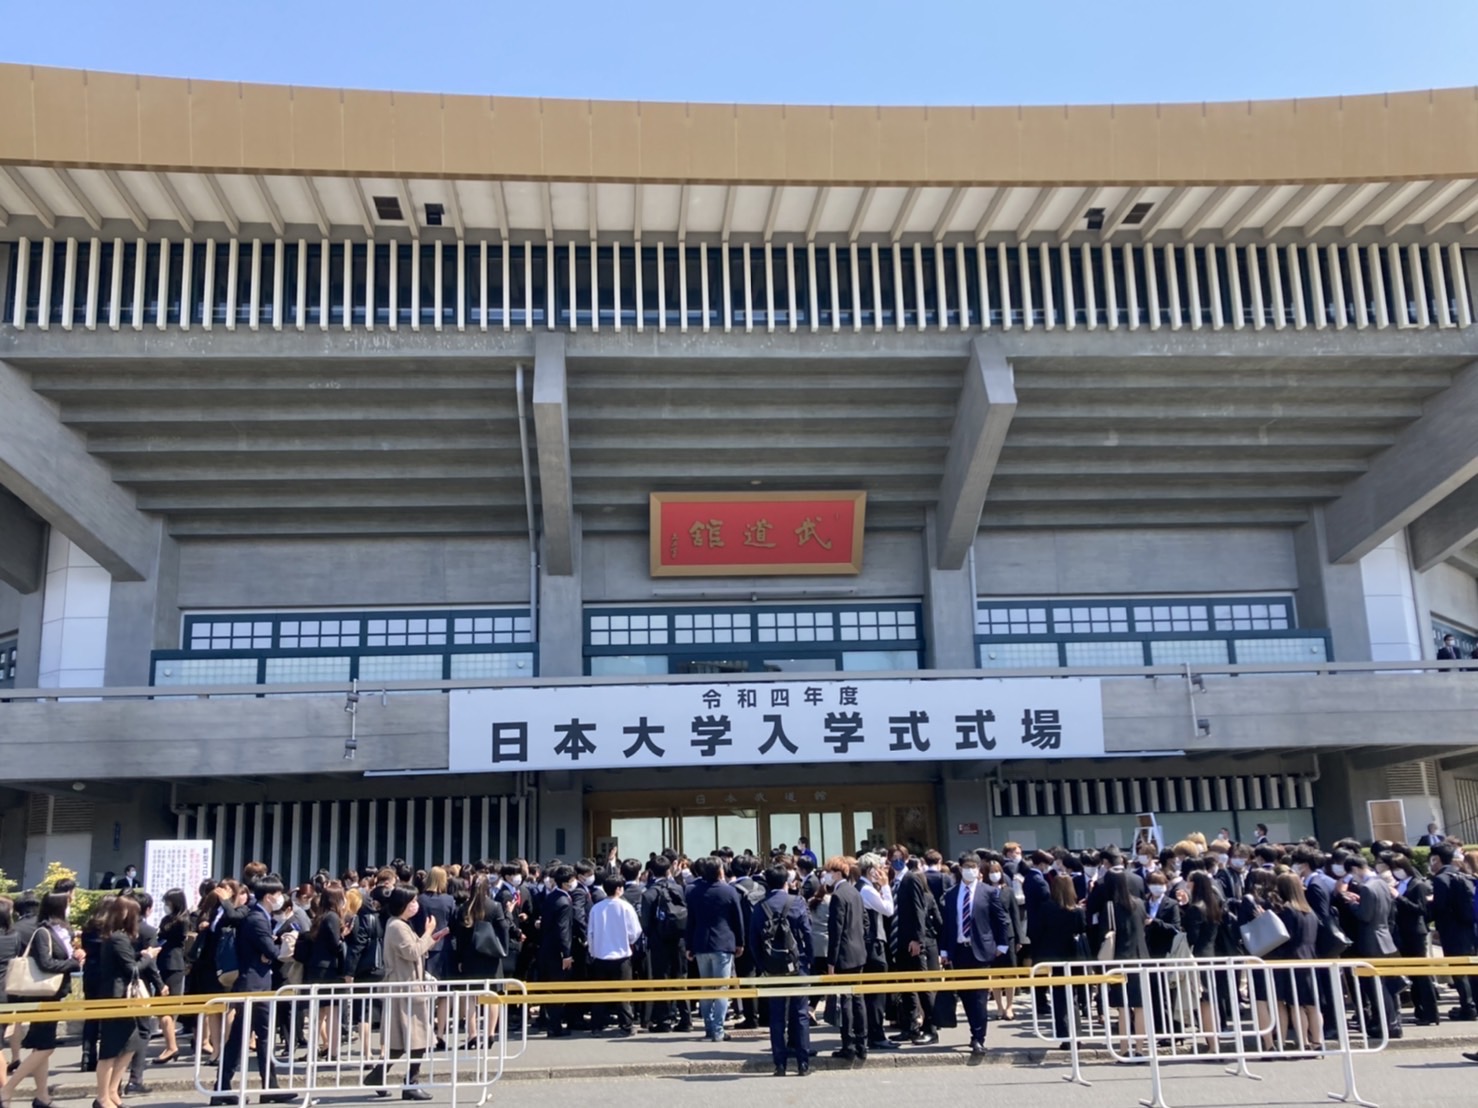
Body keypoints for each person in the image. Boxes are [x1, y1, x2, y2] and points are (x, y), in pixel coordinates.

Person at [211, 877, 293, 1106]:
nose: (280, 898)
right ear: (268, 897)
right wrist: (279, 946)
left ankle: (225, 1088)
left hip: (254, 982)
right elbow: (272, 951)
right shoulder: (257, 919)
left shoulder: (256, 915)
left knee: (243, 1037)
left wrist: (269, 949)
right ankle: (263, 1087)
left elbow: (266, 950)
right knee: (258, 1036)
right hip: (254, 984)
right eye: (278, 894)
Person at [0, 892, 81, 1108]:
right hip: (44, 995)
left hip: (52, 995)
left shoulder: (57, 931)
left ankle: (42, 1096)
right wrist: (73, 963)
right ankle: (7, 1090)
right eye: (67, 904)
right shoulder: (44, 932)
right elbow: (46, 963)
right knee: (46, 1047)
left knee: (41, 1048)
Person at [365, 883, 443, 1101]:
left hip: (408, 987)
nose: (415, 905)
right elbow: (412, 951)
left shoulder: (401, 924)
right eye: (412, 902)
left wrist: (430, 938)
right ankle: (410, 1083)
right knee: (416, 1039)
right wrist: (429, 933)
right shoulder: (397, 926)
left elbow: (415, 949)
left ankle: (379, 1076)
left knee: (406, 1039)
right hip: (404, 988)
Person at [939, 852, 1010, 1056]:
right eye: (966, 867)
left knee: (979, 996)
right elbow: (947, 925)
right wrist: (944, 950)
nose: (970, 870)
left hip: (981, 950)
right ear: (960, 869)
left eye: (973, 867)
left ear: (979, 870)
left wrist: (1002, 945)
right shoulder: (951, 894)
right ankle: (973, 1029)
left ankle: (978, 1037)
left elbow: (1001, 920)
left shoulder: (988, 892)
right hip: (959, 950)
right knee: (966, 995)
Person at [750, 864, 812, 1076]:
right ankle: (803, 1063)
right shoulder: (797, 902)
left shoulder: (760, 907)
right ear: (787, 882)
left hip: (773, 968)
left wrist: (763, 965)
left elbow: (753, 942)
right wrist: (808, 959)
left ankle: (780, 1064)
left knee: (777, 1016)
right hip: (797, 964)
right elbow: (807, 932)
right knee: (800, 1013)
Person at [685, 856, 746, 1044]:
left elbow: (691, 920)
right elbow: (737, 919)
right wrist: (740, 942)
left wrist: (689, 945)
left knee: (706, 987)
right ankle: (718, 1029)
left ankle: (709, 1027)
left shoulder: (694, 891)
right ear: (720, 871)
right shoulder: (729, 891)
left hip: (701, 943)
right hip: (723, 942)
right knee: (721, 988)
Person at [97, 897, 149, 1108]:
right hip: (115, 997)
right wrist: (147, 957)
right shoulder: (118, 938)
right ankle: (102, 1097)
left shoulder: (117, 937)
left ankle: (112, 1091)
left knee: (131, 1044)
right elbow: (132, 969)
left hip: (120, 997)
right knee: (110, 1049)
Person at [890, 857, 941, 1046]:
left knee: (922, 985)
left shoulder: (911, 879)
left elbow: (918, 910)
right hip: (901, 942)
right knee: (906, 987)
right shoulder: (895, 883)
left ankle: (930, 1028)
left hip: (913, 942)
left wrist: (918, 939)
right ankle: (910, 1027)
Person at [1032, 873, 1087, 1047]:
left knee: (1059, 997)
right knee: (1073, 997)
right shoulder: (1077, 911)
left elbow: (1037, 931)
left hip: (1054, 956)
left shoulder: (1046, 908)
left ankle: (1064, 1035)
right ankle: (1076, 1036)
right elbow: (1082, 930)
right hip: (1074, 957)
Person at [825, 856, 868, 1062]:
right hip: (858, 952)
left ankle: (848, 1044)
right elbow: (865, 922)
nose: (826, 876)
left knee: (846, 1000)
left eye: (828, 872)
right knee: (858, 998)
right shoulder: (854, 892)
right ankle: (862, 1043)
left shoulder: (838, 895)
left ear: (837, 873)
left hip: (843, 954)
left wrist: (831, 961)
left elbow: (836, 931)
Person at [1269, 873, 1320, 1049]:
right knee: (1312, 1005)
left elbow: (1285, 937)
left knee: (1296, 1004)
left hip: (1293, 959)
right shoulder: (1309, 910)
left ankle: (1304, 1042)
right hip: (1310, 958)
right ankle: (1317, 1041)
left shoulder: (1288, 910)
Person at [587, 876, 641, 1036]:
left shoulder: (596, 908)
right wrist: (628, 941)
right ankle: (626, 1026)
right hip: (621, 956)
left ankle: (597, 1026)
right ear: (618, 889)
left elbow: (590, 932)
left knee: (599, 994)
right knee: (623, 994)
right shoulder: (626, 907)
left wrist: (593, 951)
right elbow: (635, 931)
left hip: (600, 956)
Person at [1391, 855, 1438, 1025]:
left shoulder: (1417, 884)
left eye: (1398, 867)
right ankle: (1420, 1010)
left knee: (1421, 975)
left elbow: (1420, 909)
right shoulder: (1400, 884)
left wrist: (1399, 897)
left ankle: (1430, 1013)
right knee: (1413, 975)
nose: (1396, 871)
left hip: (1416, 933)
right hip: (1404, 933)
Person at [536, 866, 576, 1039]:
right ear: (566, 883)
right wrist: (567, 954)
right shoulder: (564, 901)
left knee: (549, 988)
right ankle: (555, 1026)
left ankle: (551, 1023)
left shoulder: (551, 896)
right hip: (557, 952)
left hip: (546, 948)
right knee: (558, 988)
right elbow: (563, 930)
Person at [151, 890, 188, 1067]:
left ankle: (171, 1046)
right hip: (163, 963)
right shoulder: (167, 919)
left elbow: (176, 939)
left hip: (174, 964)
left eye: (168, 902)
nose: (166, 906)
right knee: (161, 1007)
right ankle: (170, 1045)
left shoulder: (182, 920)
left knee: (167, 1007)